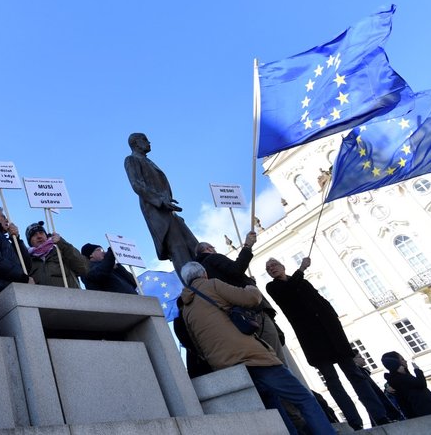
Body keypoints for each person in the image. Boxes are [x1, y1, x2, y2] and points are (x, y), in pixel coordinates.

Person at [178, 262, 334, 435]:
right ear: (204, 273)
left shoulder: (186, 308)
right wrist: (250, 286)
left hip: (226, 368)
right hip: (253, 357)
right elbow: (251, 299)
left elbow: (196, 344)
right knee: (303, 399)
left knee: (273, 411)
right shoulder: (212, 284)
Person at [266, 256, 393, 429]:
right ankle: (354, 421)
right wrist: (301, 269)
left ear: (283, 266)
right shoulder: (273, 286)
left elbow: (319, 300)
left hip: (331, 333)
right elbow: (289, 291)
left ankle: (380, 415)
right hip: (312, 339)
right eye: (268, 268)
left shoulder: (301, 282)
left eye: (274, 265)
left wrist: (333, 318)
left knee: (355, 374)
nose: (272, 268)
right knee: (332, 380)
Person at [196, 232, 284, 361]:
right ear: (208, 249)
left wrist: (249, 282)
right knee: (277, 355)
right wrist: (247, 246)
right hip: (254, 312)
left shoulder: (204, 274)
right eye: (213, 248)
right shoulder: (213, 258)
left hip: (239, 322)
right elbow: (236, 269)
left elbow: (231, 281)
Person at [124, 133, 198, 274]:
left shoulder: (148, 161)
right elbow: (137, 185)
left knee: (194, 247)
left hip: (169, 212)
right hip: (157, 212)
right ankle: (194, 288)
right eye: (144, 139)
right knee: (179, 251)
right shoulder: (131, 160)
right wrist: (160, 201)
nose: (149, 142)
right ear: (135, 143)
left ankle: (207, 281)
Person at [24, 221, 87, 288]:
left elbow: (83, 267)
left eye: (41, 233)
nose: (39, 236)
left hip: (70, 297)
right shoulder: (28, 261)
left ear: (46, 236)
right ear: (29, 241)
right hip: (42, 298)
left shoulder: (61, 250)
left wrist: (62, 243)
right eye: (34, 235)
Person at [380, 351, 431, 419]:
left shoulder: (397, 377)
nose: (405, 361)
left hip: (423, 412)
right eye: (402, 359)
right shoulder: (400, 378)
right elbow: (421, 384)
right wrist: (417, 370)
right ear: (396, 362)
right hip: (427, 412)